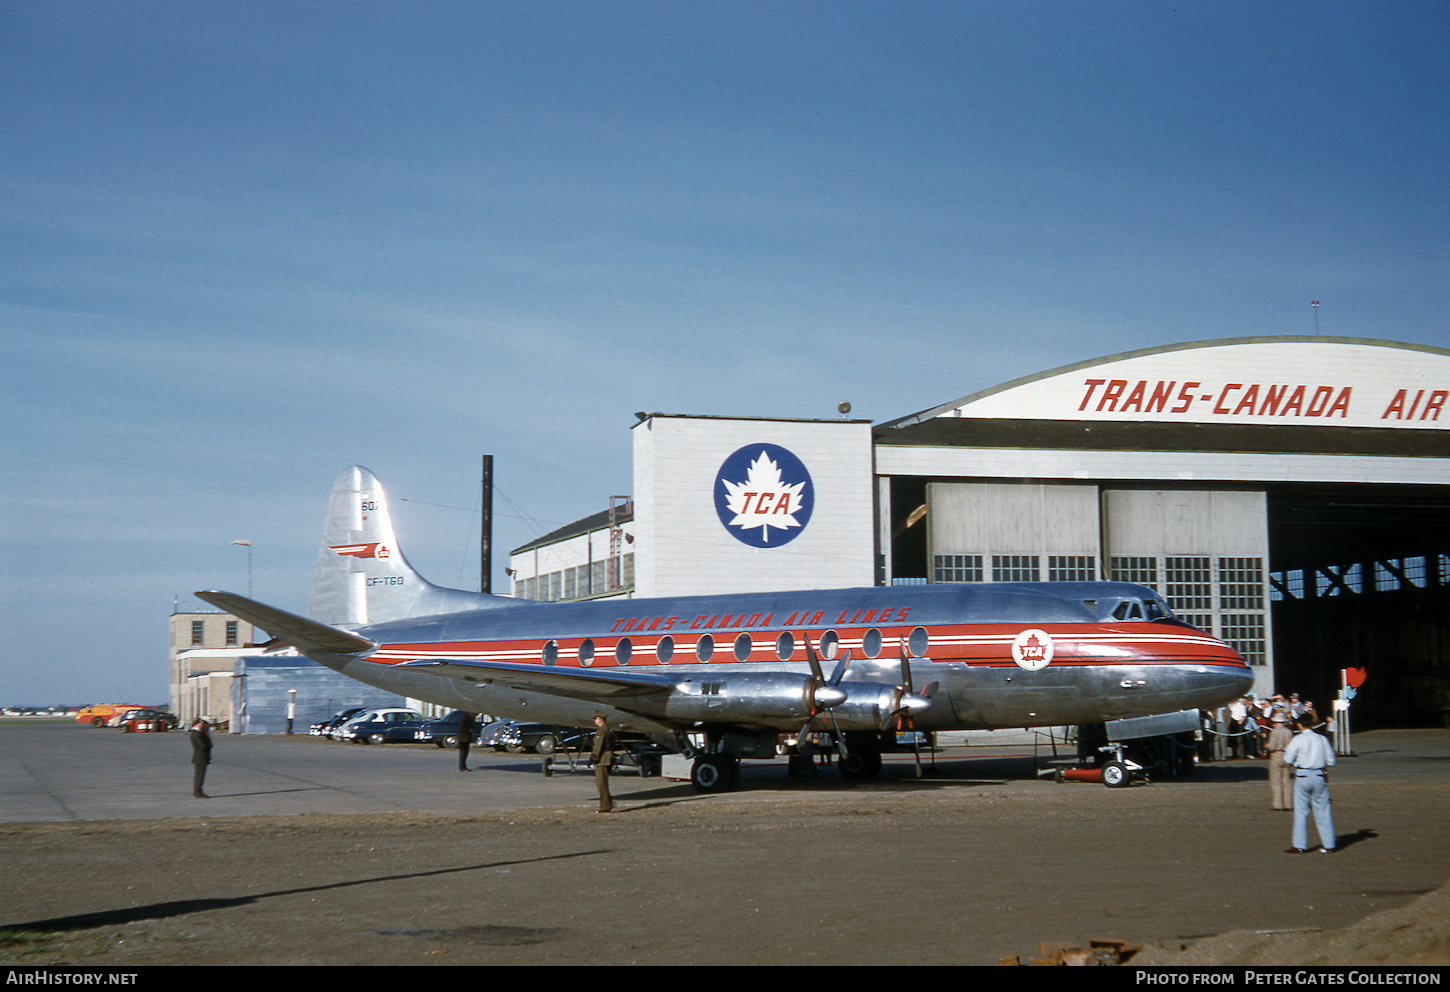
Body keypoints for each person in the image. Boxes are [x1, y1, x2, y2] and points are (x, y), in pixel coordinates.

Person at [1284, 713, 1337, 853]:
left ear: (1300, 724)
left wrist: (1296, 761)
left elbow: (1288, 759)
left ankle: (1299, 845)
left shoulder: (1298, 739)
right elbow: (1331, 760)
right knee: (1323, 811)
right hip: (1319, 774)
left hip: (1303, 775)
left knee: (1301, 812)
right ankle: (1329, 844)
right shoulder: (1322, 739)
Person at [1265, 712, 1293, 811]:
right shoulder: (1289, 732)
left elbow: (1272, 747)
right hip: (1287, 755)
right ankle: (1288, 804)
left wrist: (1267, 746)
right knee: (1286, 781)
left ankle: (1278, 804)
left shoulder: (1275, 732)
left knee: (1276, 781)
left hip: (1277, 755)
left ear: (1276, 722)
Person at [591, 714, 616, 813]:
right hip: (609, 758)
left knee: (601, 783)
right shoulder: (609, 730)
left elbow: (598, 745)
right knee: (602, 782)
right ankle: (608, 803)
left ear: (600, 720)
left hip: (603, 759)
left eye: (596, 719)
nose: (595, 721)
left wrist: (594, 757)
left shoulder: (601, 731)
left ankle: (605, 806)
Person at [189, 719, 212, 798]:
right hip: (200, 757)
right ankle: (197, 791)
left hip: (202, 757)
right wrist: (206, 737)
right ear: (198, 724)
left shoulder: (199, 733)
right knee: (199, 775)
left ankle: (199, 790)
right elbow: (203, 746)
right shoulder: (196, 734)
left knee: (201, 775)